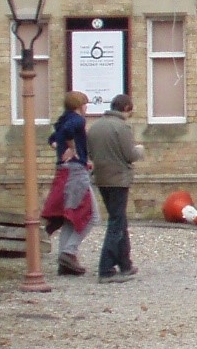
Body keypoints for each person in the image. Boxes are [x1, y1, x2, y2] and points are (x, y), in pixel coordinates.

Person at [87, 92, 145, 282]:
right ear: (127, 108)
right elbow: (129, 155)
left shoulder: (95, 127)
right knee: (116, 223)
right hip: (119, 179)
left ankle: (125, 264)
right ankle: (106, 269)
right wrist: (139, 151)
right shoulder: (122, 128)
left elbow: (90, 153)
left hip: (102, 178)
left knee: (119, 220)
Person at [44, 91, 95, 275]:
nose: (86, 108)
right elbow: (66, 132)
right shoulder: (77, 120)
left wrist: (62, 147)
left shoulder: (63, 118)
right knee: (91, 215)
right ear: (79, 105)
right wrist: (73, 151)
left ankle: (64, 261)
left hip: (65, 170)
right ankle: (68, 252)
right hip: (76, 172)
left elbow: (53, 138)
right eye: (85, 104)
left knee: (69, 218)